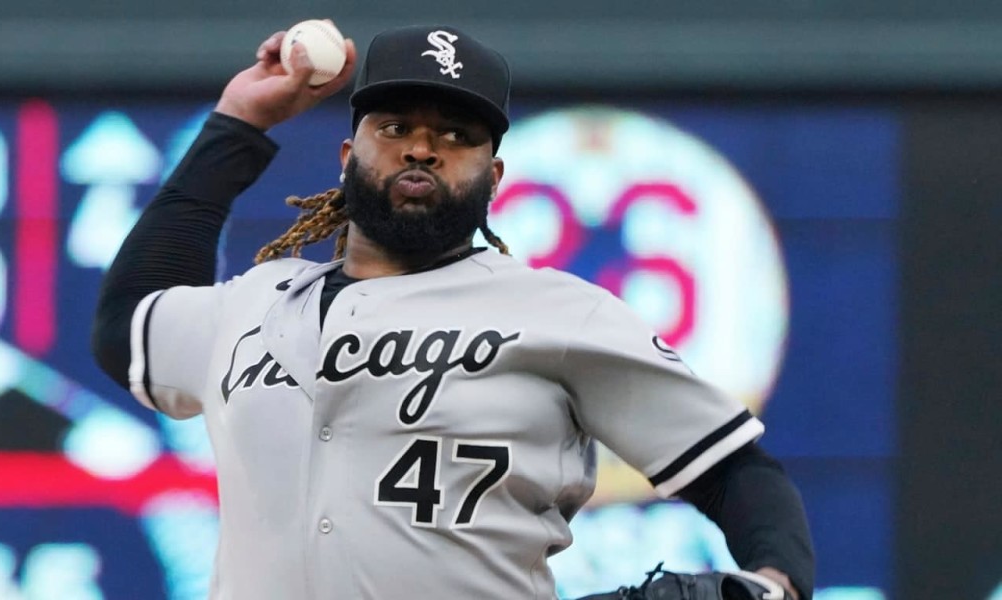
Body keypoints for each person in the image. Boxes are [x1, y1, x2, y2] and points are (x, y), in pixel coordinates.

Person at [92, 22, 815, 600]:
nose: (423, 148)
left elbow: (734, 469)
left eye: (457, 136)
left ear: (494, 176)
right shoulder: (256, 304)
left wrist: (776, 586)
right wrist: (238, 123)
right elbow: (129, 329)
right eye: (396, 126)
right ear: (348, 154)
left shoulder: (558, 314)